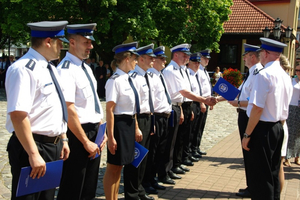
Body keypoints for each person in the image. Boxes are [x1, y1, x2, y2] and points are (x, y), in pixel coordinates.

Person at [5, 20, 70, 200]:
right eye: (60, 42)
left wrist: (62, 139)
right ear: (48, 41)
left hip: (51, 146)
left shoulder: (50, 68)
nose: (62, 47)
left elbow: (54, 108)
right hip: (32, 146)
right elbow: (18, 115)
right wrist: (33, 154)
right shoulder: (23, 69)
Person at [56, 23, 106, 200]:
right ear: (72, 42)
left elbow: (93, 102)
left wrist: (101, 130)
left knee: (89, 187)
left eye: (90, 42)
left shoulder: (84, 68)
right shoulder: (66, 70)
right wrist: (85, 141)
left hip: (93, 133)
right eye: (86, 42)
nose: (90, 46)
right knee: (72, 187)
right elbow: (69, 110)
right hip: (78, 135)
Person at [242, 38, 293, 200]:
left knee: (260, 177)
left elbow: (257, 108)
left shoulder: (264, 75)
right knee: (272, 172)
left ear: (265, 53)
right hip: (278, 126)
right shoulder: (285, 76)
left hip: (262, 128)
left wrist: (247, 134)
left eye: (261, 53)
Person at [161, 44, 216, 184]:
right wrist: (204, 100)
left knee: (178, 139)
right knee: (170, 142)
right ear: (175, 55)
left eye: (187, 55)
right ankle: (165, 171)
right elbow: (184, 92)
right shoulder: (171, 70)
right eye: (184, 55)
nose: (187, 58)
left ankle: (173, 166)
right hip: (173, 106)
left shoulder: (180, 70)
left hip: (181, 105)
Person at [216, 43, 263, 198]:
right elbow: (237, 93)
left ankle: (254, 187)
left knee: (250, 152)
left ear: (253, 57)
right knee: (247, 154)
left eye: (245, 56)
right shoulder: (250, 73)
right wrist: (217, 99)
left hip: (248, 115)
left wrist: (238, 104)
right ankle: (251, 185)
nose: (243, 59)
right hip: (243, 114)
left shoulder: (257, 74)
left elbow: (252, 100)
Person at [103, 42, 141, 200]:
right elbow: (110, 110)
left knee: (120, 167)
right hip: (119, 126)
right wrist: (111, 137)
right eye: (134, 58)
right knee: (113, 167)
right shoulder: (114, 81)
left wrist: (136, 127)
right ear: (127, 59)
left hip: (129, 124)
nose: (136, 62)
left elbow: (133, 108)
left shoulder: (127, 79)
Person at [125, 43, 156, 200]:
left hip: (147, 118)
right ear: (142, 59)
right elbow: (133, 105)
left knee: (143, 158)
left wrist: (152, 121)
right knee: (135, 159)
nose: (153, 61)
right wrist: (136, 126)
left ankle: (139, 190)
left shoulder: (145, 75)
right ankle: (131, 194)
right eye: (150, 58)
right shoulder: (134, 77)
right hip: (138, 120)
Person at [142, 46, 171, 194]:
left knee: (160, 151)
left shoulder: (160, 75)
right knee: (151, 152)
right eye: (161, 59)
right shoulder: (150, 76)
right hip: (156, 116)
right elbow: (151, 100)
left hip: (164, 116)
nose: (164, 61)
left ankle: (153, 179)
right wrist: (153, 120)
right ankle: (146, 180)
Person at [191, 49, 213, 158]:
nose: (207, 61)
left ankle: (196, 147)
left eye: (208, 59)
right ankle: (193, 149)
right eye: (205, 58)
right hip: (200, 101)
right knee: (195, 127)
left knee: (200, 126)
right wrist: (202, 102)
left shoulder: (203, 71)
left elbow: (206, 88)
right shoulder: (198, 71)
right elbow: (198, 90)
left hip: (205, 100)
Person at [285, 64, 300, 167]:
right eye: (297, 70)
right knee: (290, 133)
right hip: (292, 108)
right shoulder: (291, 81)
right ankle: (287, 157)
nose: (298, 72)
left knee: (299, 135)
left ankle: (297, 157)